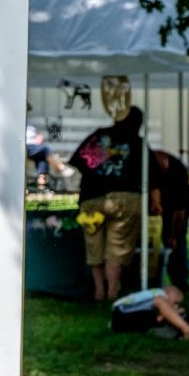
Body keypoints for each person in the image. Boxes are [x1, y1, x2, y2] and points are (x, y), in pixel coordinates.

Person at [68, 105, 159, 302]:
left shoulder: (100, 137)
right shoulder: (138, 143)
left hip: (92, 199)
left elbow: (81, 164)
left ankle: (98, 291)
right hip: (126, 201)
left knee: (94, 246)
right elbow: (152, 177)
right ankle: (111, 293)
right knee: (116, 249)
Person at [153, 150, 189, 294]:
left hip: (174, 213)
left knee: (177, 248)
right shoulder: (152, 165)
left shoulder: (177, 174)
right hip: (159, 211)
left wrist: (173, 236)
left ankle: (180, 283)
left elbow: (179, 213)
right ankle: (153, 280)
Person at [108, 284, 189, 339]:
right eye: (177, 300)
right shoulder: (159, 294)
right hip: (122, 314)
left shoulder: (155, 304)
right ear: (168, 291)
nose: (176, 304)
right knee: (161, 301)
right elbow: (160, 305)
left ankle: (188, 327)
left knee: (165, 317)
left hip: (133, 321)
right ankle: (188, 331)